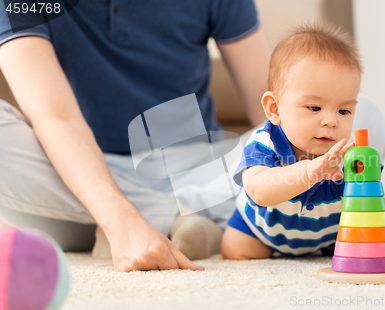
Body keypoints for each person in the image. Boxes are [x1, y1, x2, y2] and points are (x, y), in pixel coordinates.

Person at [0, 0, 270, 272]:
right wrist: (119, 218)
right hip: (80, 185)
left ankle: (165, 220)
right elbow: (55, 116)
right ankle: (168, 218)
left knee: (291, 141)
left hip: (196, 172)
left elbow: (271, 112)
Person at [220, 23, 385, 260]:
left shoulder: (350, 153)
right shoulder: (265, 143)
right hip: (263, 231)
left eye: (344, 111)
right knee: (234, 249)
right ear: (275, 109)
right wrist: (311, 171)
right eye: (314, 107)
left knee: (353, 245)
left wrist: (373, 230)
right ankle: (207, 232)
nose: (331, 121)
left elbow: (367, 195)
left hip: (329, 235)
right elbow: (259, 191)